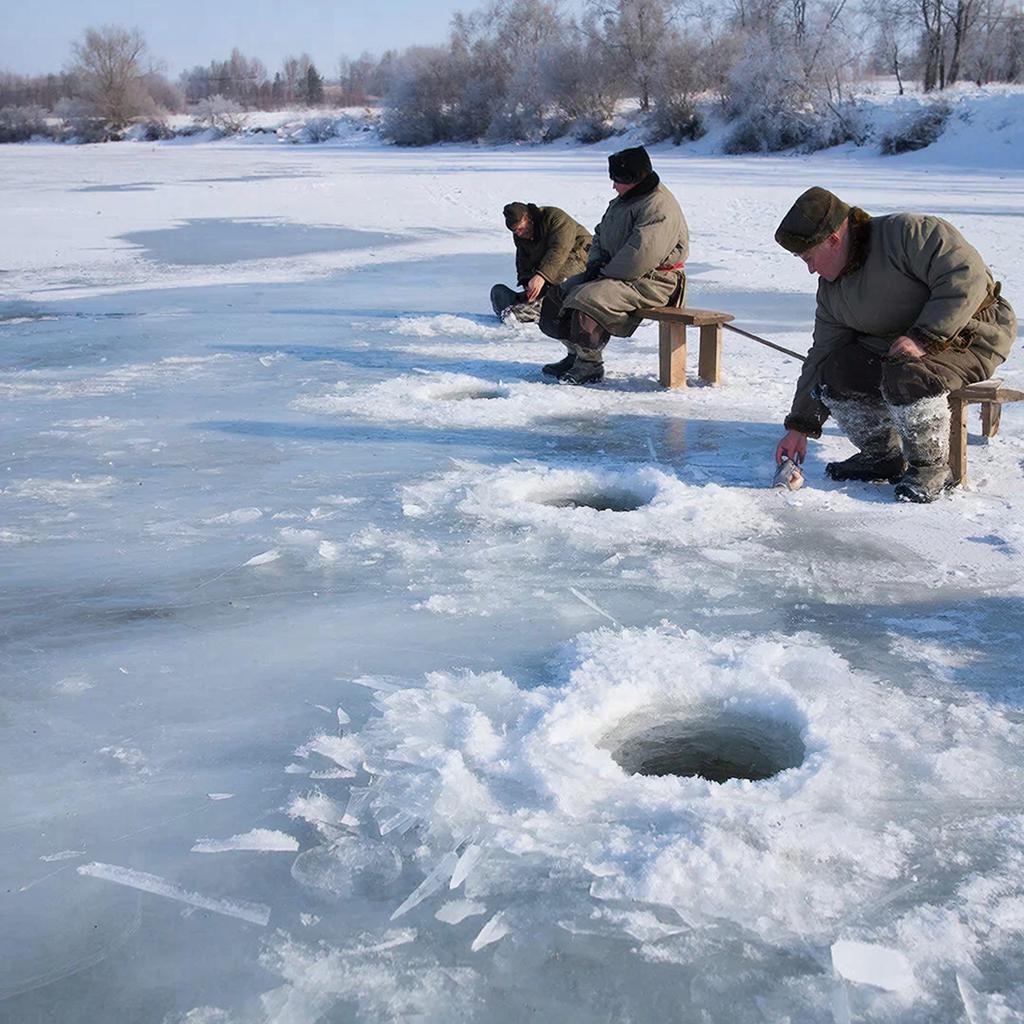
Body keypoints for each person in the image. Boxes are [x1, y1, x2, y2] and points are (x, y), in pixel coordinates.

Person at [774, 187, 1016, 503]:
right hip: (896, 347)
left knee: (907, 371)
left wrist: (923, 337)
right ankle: (881, 455)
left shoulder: (909, 234)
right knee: (837, 369)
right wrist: (800, 426)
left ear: (833, 239)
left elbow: (964, 277)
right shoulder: (832, 292)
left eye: (808, 257)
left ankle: (930, 468)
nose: (810, 269)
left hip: (970, 335)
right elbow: (822, 354)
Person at [537, 145, 688, 385]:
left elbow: (641, 254)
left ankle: (590, 364)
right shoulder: (624, 200)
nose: (613, 186)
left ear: (635, 178)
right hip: (616, 274)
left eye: (617, 180)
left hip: (654, 281)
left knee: (588, 299)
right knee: (559, 294)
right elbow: (599, 234)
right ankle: (575, 355)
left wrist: (605, 273)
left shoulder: (659, 207)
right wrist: (595, 263)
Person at [490, 203, 592, 324]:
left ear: (528, 218)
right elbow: (523, 258)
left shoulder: (555, 218)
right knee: (500, 291)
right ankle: (528, 304)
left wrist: (541, 276)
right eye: (515, 231)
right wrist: (527, 282)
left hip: (582, 259)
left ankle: (546, 307)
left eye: (520, 229)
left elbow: (559, 250)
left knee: (561, 275)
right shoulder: (520, 234)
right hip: (550, 269)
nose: (519, 234)